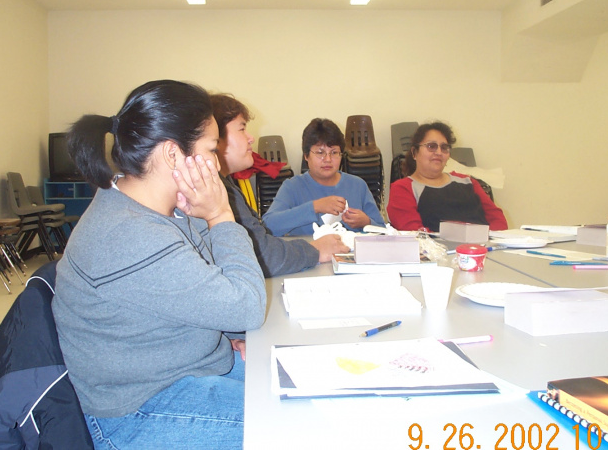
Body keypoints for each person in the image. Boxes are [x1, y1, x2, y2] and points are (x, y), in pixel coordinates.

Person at [52, 80, 266, 449]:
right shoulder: (127, 234)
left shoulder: (160, 208)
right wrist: (220, 215)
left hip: (185, 367)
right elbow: (246, 307)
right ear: (172, 154)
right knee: (300, 424)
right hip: (138, 408)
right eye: (210, 150)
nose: (215, 164)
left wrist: (225, 336)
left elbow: (215, 288)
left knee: (303, 388)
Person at [210, 94, 349, 276]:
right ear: (214, 138)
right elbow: (263, 252)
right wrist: (314, 249)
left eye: (335, 152)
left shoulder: (225, 185)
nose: (251, 138)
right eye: (242, 129)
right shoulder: (218, 191)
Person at [263, 118, 385, 236]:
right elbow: (268, 226)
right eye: (320, 152)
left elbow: (384, 232)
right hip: (308, 254)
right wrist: (315, 207)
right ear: (306, 156)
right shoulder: (292, 187)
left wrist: (366, 223)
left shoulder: (358, 185)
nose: (328, 159)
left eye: (334, 152)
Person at [387, 121, 508, 232]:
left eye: (444, 148)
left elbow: (498, 220)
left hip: (483, 249)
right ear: (414, 153)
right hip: (438, 253)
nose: (439, 152)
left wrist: (483, 243)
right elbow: (415, 233)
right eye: (431, 146)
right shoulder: (403, 189)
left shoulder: (468, 181)